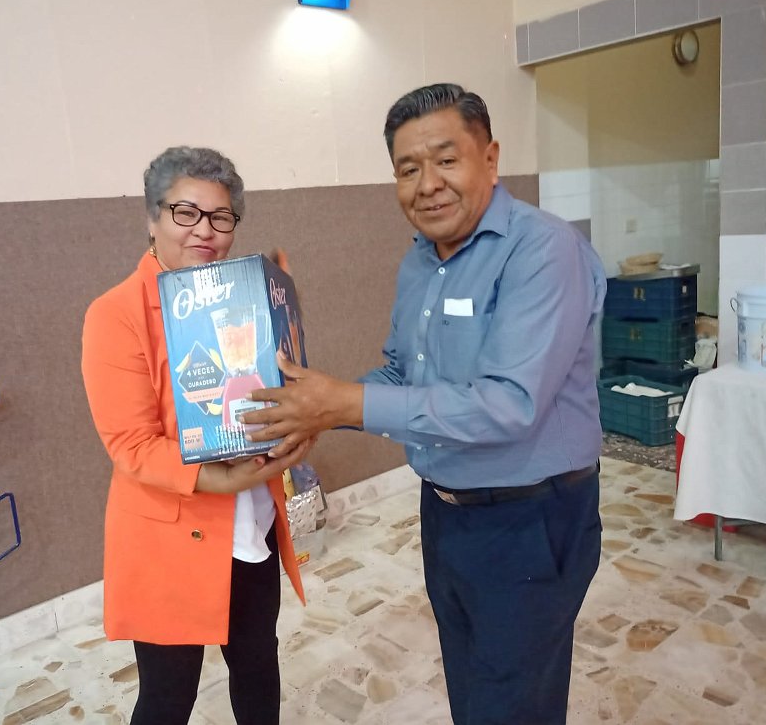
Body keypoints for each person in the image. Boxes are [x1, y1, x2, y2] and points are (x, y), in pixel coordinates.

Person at [241, 84, 607, 724]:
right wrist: (310, 409)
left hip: (531, 519)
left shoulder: (543, 250)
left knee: (515, 703)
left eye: (446, 159)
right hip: (446, 512)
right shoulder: (420, 264)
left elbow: (508, 405)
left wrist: (344, 405)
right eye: (408, 169)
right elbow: (400, 371)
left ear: (490, 159)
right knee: (472, 688)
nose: (428, 184)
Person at [80, 146, 312, 725]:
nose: (204, 230)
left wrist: (296, 424)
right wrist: (221, 478)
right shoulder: (116, 313)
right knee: (168, 696)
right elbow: (131, 445)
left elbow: (271, 394)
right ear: (152, 218)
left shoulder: (249, 298)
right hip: (169, 537)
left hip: (252, 520)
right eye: (186, 212)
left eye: (221, 216)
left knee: (258, 666)